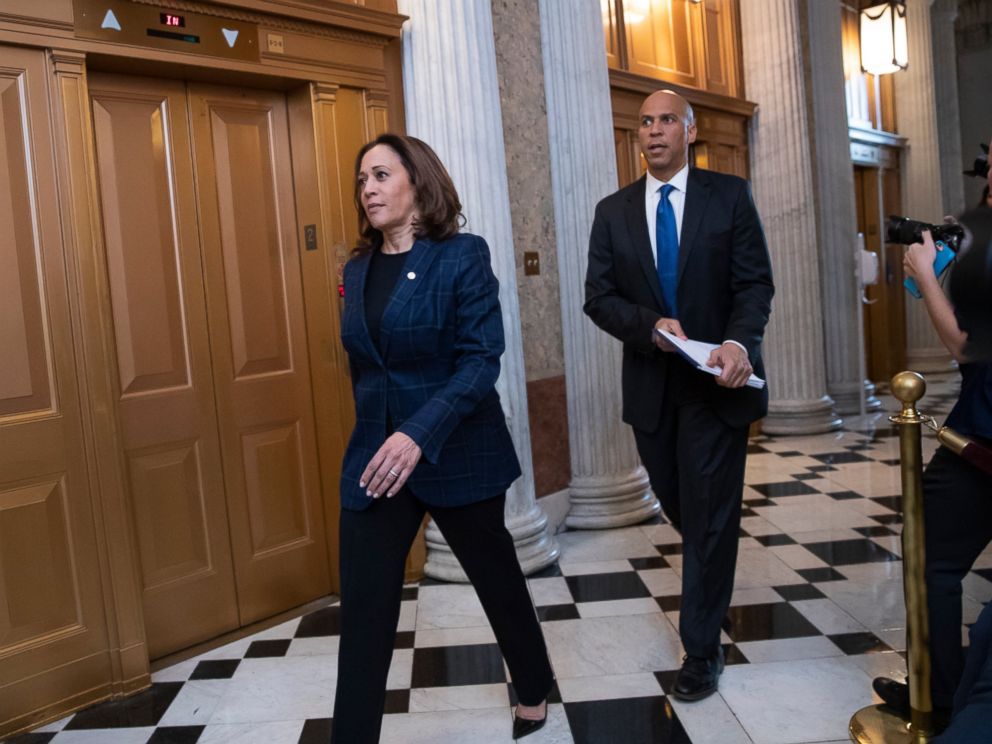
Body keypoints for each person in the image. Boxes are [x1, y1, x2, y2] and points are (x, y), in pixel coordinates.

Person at [331, 133, 554, 743]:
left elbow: (481, 361)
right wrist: (385, 439)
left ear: (417, 181)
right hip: (378, 461)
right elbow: (366, 367)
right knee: (367, 614)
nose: (368, 189)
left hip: (457, 448)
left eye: (380, 175)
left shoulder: (461, 256)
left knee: (497, 582)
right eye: (361, 180)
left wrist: (416, 434)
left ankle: (533, 685)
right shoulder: (355, 269)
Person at [583, 90, 774, 701]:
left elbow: (754, 283)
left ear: (690, 132)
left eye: (668, 120)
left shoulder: (729, 195)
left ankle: (700, 649)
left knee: (711, 512)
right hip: (652, 388)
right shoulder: (613, 211)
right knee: (685, 508)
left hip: (718, 386)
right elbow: (599, 297)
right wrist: (649, 327)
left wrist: (741, 344)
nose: (655, 130)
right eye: (645, 121)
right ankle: (710, 589)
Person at [872, 219, 992, 737]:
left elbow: (968, 347)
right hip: (979, 433)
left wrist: (925, 277)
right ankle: (945, 689)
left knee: (929, 559)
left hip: (982, 441)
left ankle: (942, 696)